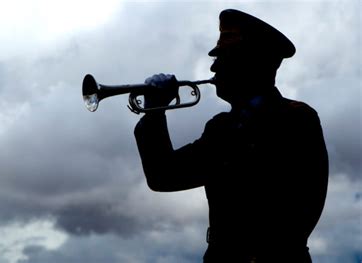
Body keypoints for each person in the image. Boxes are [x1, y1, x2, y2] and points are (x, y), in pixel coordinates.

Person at [134, 9, 328, 263]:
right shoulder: (220, 127)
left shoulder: (297, 119)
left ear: (250, 62)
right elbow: (163, 177)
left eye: (223, 58)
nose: (214, 67)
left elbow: (304, 208)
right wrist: (154, 113)